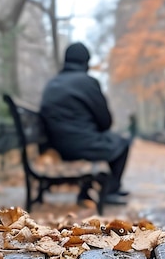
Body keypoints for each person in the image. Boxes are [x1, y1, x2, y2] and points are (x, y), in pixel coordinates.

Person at [40, 42, 130, 205]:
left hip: (56, 147)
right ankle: (111, 190)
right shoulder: (88, 83)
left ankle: (90, 190)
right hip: (83, 145)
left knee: (110, 141)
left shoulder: (52, 84)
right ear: (86, 62)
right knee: (122, 142)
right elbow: (105, 122)